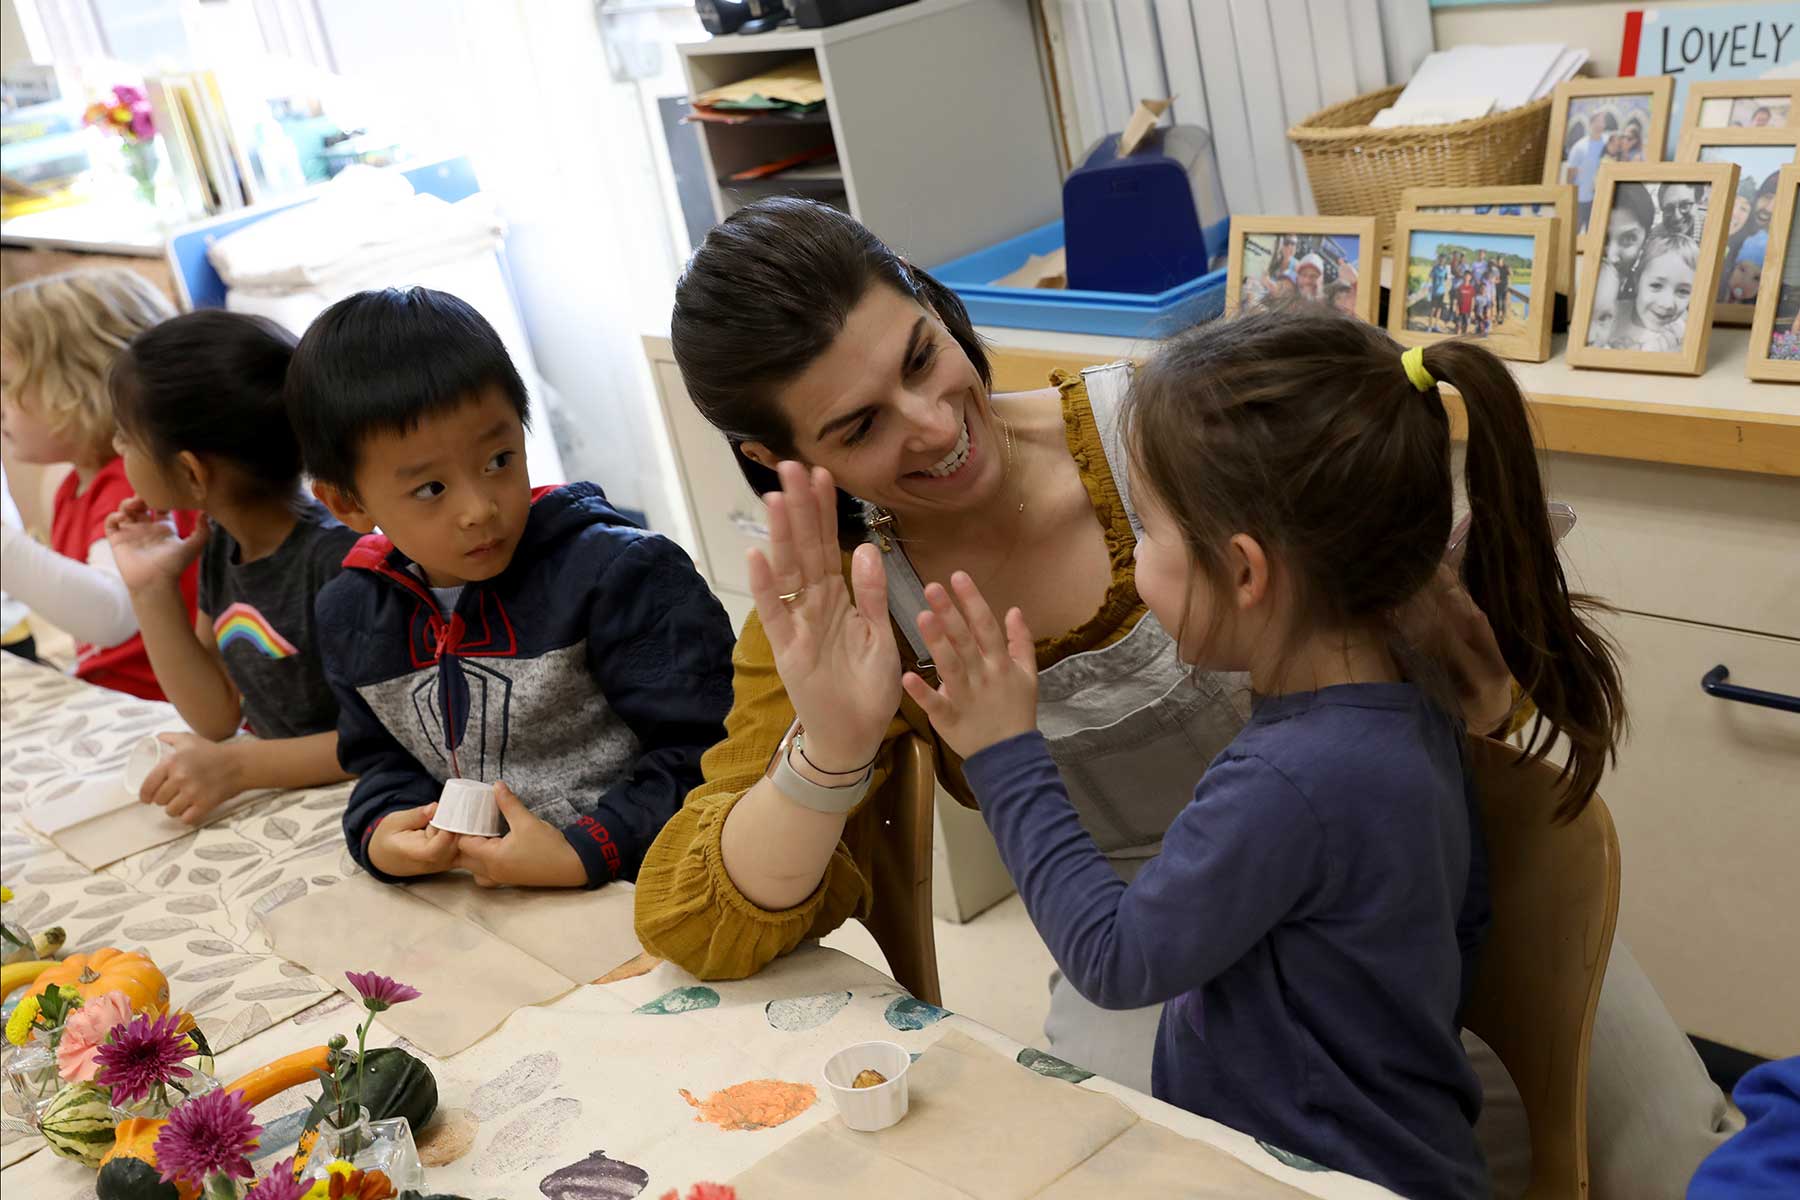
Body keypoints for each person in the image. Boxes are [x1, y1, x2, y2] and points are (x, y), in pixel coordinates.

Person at [635, 196, 1743, 1200]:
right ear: (775, 458)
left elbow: (1461, 681)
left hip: (1390, 891)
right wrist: (832, 745)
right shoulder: (841, 600)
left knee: (1674, 1150)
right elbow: (692, 921)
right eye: (859, 427)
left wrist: (1461, 653)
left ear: (931, 303)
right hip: (1147, 946)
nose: (928, 422)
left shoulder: (1179, 431)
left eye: (921, 358)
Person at [894, 310, 1625, 1200]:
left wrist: (1006, 752)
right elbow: (1461, 924)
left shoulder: (1286, 779)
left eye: (1149, 536)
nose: (1138, 563)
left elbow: (1115, 960)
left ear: (1245, 572)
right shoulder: (1409, 704)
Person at [286, 287, 735, 889]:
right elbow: (383, 760)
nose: (479, 508)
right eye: (431, 490)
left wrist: (585, 851)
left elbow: (713, 753)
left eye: (499, 459)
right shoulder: (352, 614)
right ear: (348, 503)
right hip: (486, 905)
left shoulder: (621, 577)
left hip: (652, 889)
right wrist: (383, 830)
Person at [101, 311, 358, 824]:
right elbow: (216, 715)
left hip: (361, 809)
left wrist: (239, 766)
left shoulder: (338, 562)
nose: (116, 447)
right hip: (291, 804)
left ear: (192, 472)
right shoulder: (223, 541)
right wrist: (151, 587)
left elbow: (385, 738)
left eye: (126, 436)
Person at [0, 270, 198, 701]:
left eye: (6, 384)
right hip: (113, 693)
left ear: (83, 384)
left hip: (164, 707)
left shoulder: (135, 485)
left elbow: (108, 618)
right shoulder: (74, 483)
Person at [1612, 232, 1698, 353]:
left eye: (1683, 291)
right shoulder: (1612, 313)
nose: (1667, 304)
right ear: (1637, 281)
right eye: (1656, 285)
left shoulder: (1683, 335)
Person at [1573, 111, 1618, 232]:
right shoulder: (1580, 146)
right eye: (1598, 121)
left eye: (1602, 121)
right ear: (1591, 123)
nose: (1601, 124)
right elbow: (1571, 172)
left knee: (1592, 230)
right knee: (1575, 230)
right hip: (1581, 197)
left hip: (1597, 197)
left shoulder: (1606, 142)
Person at [1455, 269, 1477, 334]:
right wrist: (1456, 309)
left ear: (1470, 278)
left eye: (1468, 276)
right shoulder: (1460, 287)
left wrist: (1472, 310)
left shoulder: (1471, 288)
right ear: (1463, 276)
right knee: (1458, 329)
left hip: (1468, 310)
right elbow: (1457, 299)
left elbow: (1473, 300)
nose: (1467, 277)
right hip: (1460, 310)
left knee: (1466, 328)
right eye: (1466, 276)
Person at [1495, 258, 1512, 326]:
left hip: (1504, 287)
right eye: (1498, 261)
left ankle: (1503, 317)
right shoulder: (1496, 268)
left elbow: (1511, 274)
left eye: (1500, 261)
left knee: (1504, 302)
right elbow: (1495, 277)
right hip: (1498, 288)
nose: (1499, 263)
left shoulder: (1506, 267)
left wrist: (1510, 269)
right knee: (1498, 302)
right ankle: (1498, 315)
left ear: (1502, 262)